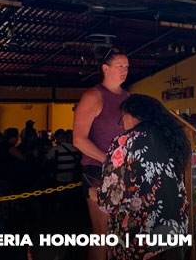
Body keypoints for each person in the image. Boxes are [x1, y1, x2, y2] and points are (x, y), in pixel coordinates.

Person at [96, 95, 190, 260]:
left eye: (122, 118)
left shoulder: (124, 141)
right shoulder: (173, 139)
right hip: (175, 228)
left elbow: (110, 199)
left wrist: (94, 193)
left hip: (139, 237)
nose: (122, 123)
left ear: (132, 114)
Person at [73, 48, 129, 260]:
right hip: (97, 170)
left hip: (125, 170)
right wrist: (109, 160)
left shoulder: (128, 98)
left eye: (127, 67)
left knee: (123, 231)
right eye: (120, 66)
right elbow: (79, 139)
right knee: (103, 233)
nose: (125, 71)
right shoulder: (94, 96)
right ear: (106, 69)